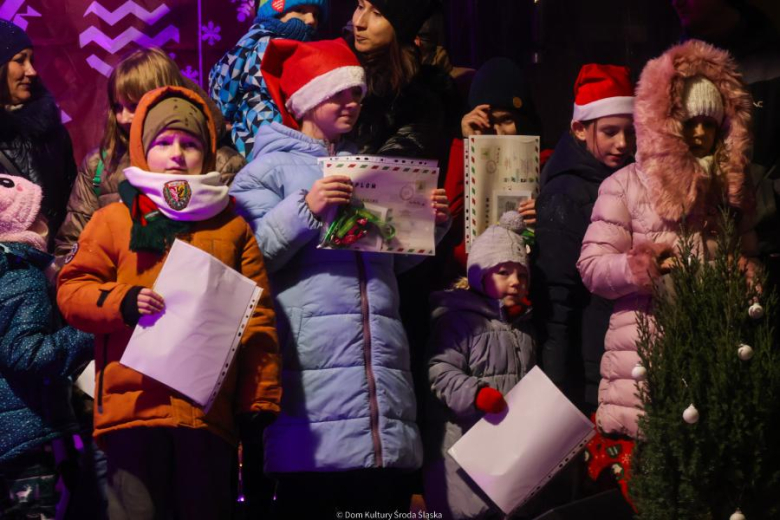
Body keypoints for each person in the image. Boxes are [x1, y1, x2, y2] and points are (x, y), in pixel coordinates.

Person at [229, 38, 451, 516]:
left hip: (380, 381)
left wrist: (429, 225)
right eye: (339, 94)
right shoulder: (262, 173)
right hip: (312, 378)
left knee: (380, 499)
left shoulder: (368, 167)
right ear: (307, 100)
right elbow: (251, 259)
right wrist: (305, 208)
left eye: (357, 95)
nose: (352, 103)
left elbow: (392, 262)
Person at [57, 85, 281, 519]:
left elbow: (257, 320)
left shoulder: (232, 227)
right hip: (132, 412)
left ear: (208, 152)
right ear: (143, 148)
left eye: (190, 143)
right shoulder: (114, 219)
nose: (176, 154)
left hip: (206, 415)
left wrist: (259, 399)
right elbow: (72, 289)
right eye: (163, 142)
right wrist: (122, 301)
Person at [576, 39, 756, 500]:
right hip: (643, 367)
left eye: (710, 123)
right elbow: (592, 266)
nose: (699, 134)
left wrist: (746, 273)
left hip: (713, 364)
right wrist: (640, 267)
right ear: (664, 122)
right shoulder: (625, 186)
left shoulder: (730, 192)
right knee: (652, 495)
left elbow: (748, 253)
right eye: (688, 121)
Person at [55, 47, 245, 265]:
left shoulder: (222, 164)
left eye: (134, 106)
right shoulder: (99, 165)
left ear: (164, 101)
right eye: (118, 107)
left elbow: (240, 243)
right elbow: (70, 246)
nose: (123, 118)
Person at [534, 64, 635, 414]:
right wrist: (555, 393)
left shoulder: (628, 180)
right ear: (580, 128)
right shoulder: (566, 193)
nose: (622, 143)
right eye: (609, 132)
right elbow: (556, 301)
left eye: (630, 132)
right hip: (589, 369)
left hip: (622, 358)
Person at [424, 211, 535, 520]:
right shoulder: (459, 320)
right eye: (504, 272)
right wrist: (476, 394)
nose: (515, 282)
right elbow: (439, 369)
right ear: (480, 276)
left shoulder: (524, 327)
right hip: (462, 449)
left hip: (503, 450)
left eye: (522, 275)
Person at [0, 174, 93, 519]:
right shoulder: (20, 275)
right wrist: (91, 333)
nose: (47, 219)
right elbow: (27, 355)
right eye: (37, 211)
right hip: (25, 441)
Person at [671, 0, 780, 291]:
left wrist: (760, 210)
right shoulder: (672, 67)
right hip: (699, 259)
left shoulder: (770, 60)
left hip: (767, 251)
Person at [209, 0, 329, 158]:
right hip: (259, 134)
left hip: (283, 138)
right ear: (275, 11)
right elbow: (227, 81)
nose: (311, 20)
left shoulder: (308, 49)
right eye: (300, 10)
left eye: (316, 14)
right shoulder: (264, 45)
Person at [348, 0, 460, 163]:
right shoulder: (333, 70)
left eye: (377, 14)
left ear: (401, 27)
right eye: (360, 6)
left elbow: (390, 168)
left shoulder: (418, 99)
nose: (359, 22)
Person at [0, 20, 77, 248]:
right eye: (20, 60)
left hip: (52, 262)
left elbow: (72, 208)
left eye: (32, 61)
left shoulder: (53, 133)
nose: (32, 71)